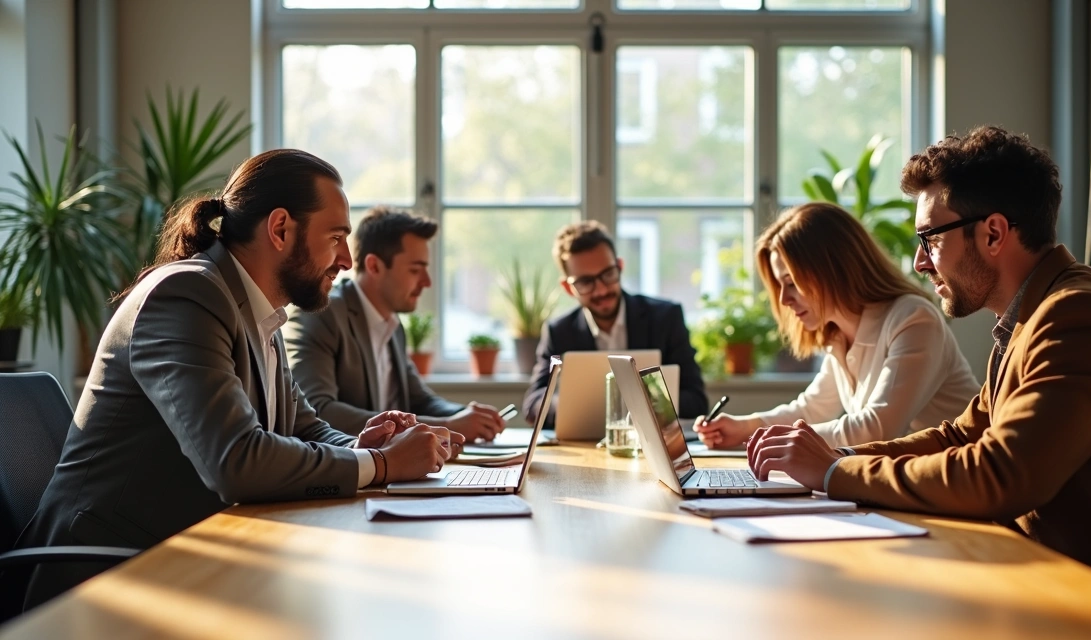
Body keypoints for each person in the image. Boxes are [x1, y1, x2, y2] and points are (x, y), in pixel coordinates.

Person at [747, 126, 1091, 571]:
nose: (919, 261)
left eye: (930, 238)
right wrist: (843, 460)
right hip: (1044, 569)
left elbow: (1001, 475)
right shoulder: (1028, 318)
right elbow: (962, 434)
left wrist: (833, 474)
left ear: (992, 233)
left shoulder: (1080, 316)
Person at [11, 149, 460, 608]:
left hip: (187, 558)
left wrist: (365, 447)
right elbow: (236, 461)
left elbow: (305, 426)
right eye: (336, 237)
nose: (346, 259)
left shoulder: (258, 313)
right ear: (281, 228)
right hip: (103, 579)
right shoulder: (186, 295)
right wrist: (382, 466)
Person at [695, 202, 978, 450]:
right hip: (907, 481)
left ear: (833, 270)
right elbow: (814, 407)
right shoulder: (838, 335)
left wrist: (776, 440)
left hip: (963, 486)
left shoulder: (913, 319)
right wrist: (745, 427)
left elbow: (876, 429)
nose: (784, 300)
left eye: (792, 283)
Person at [284, 206, 506, 441]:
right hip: (349, 470)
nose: (427, 282)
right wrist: (447, 425)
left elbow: (420, 399)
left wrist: (467, 416)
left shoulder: (393, 325)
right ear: (374, 266)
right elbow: (319, 411)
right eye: (415, 270)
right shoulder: (322, 314)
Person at [523, 221, 708, 424]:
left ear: (619, 267)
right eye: (586, 282)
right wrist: (570, 404)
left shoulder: (665, 318)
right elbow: (533, 404)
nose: (601, 290)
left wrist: (643, 402)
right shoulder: (559, 331)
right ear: (568, 288)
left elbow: (697, 401)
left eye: (608, 274)